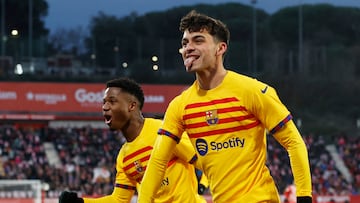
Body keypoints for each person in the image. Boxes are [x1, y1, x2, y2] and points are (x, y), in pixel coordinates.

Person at [138, 10, 312, 203]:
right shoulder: (180, 106)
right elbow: (157, 162)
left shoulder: (253, 91)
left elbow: (294, 142)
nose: (188, 48)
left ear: (220, 48)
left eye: (198, 40)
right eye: (185, 43)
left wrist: (304, 196)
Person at [59, 77, 206, 203]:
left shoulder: (164, 131)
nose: (105, 107)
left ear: (131, 106)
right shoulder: (124, 157)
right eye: (104, 102)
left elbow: (205, 162)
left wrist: (209, 185)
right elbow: (118, 200)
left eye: (112, 101)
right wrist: (81, 202)